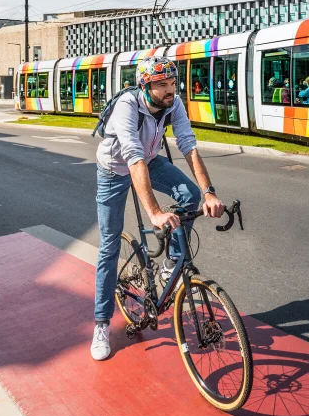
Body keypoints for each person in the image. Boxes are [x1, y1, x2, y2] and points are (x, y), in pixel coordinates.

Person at [91, 56, 224, 361]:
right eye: (162, 84)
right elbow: (132, 157)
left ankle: (170, 265)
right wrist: (154, 213)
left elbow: (188, 145)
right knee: (109, 244)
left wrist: (209, 192)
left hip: (149, 161)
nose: (170, 90)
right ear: (145, 86)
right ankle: (101, 323)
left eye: (173, 83)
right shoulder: (127, 106)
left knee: (190, 196)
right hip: (115, 169)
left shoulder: (173, 104)